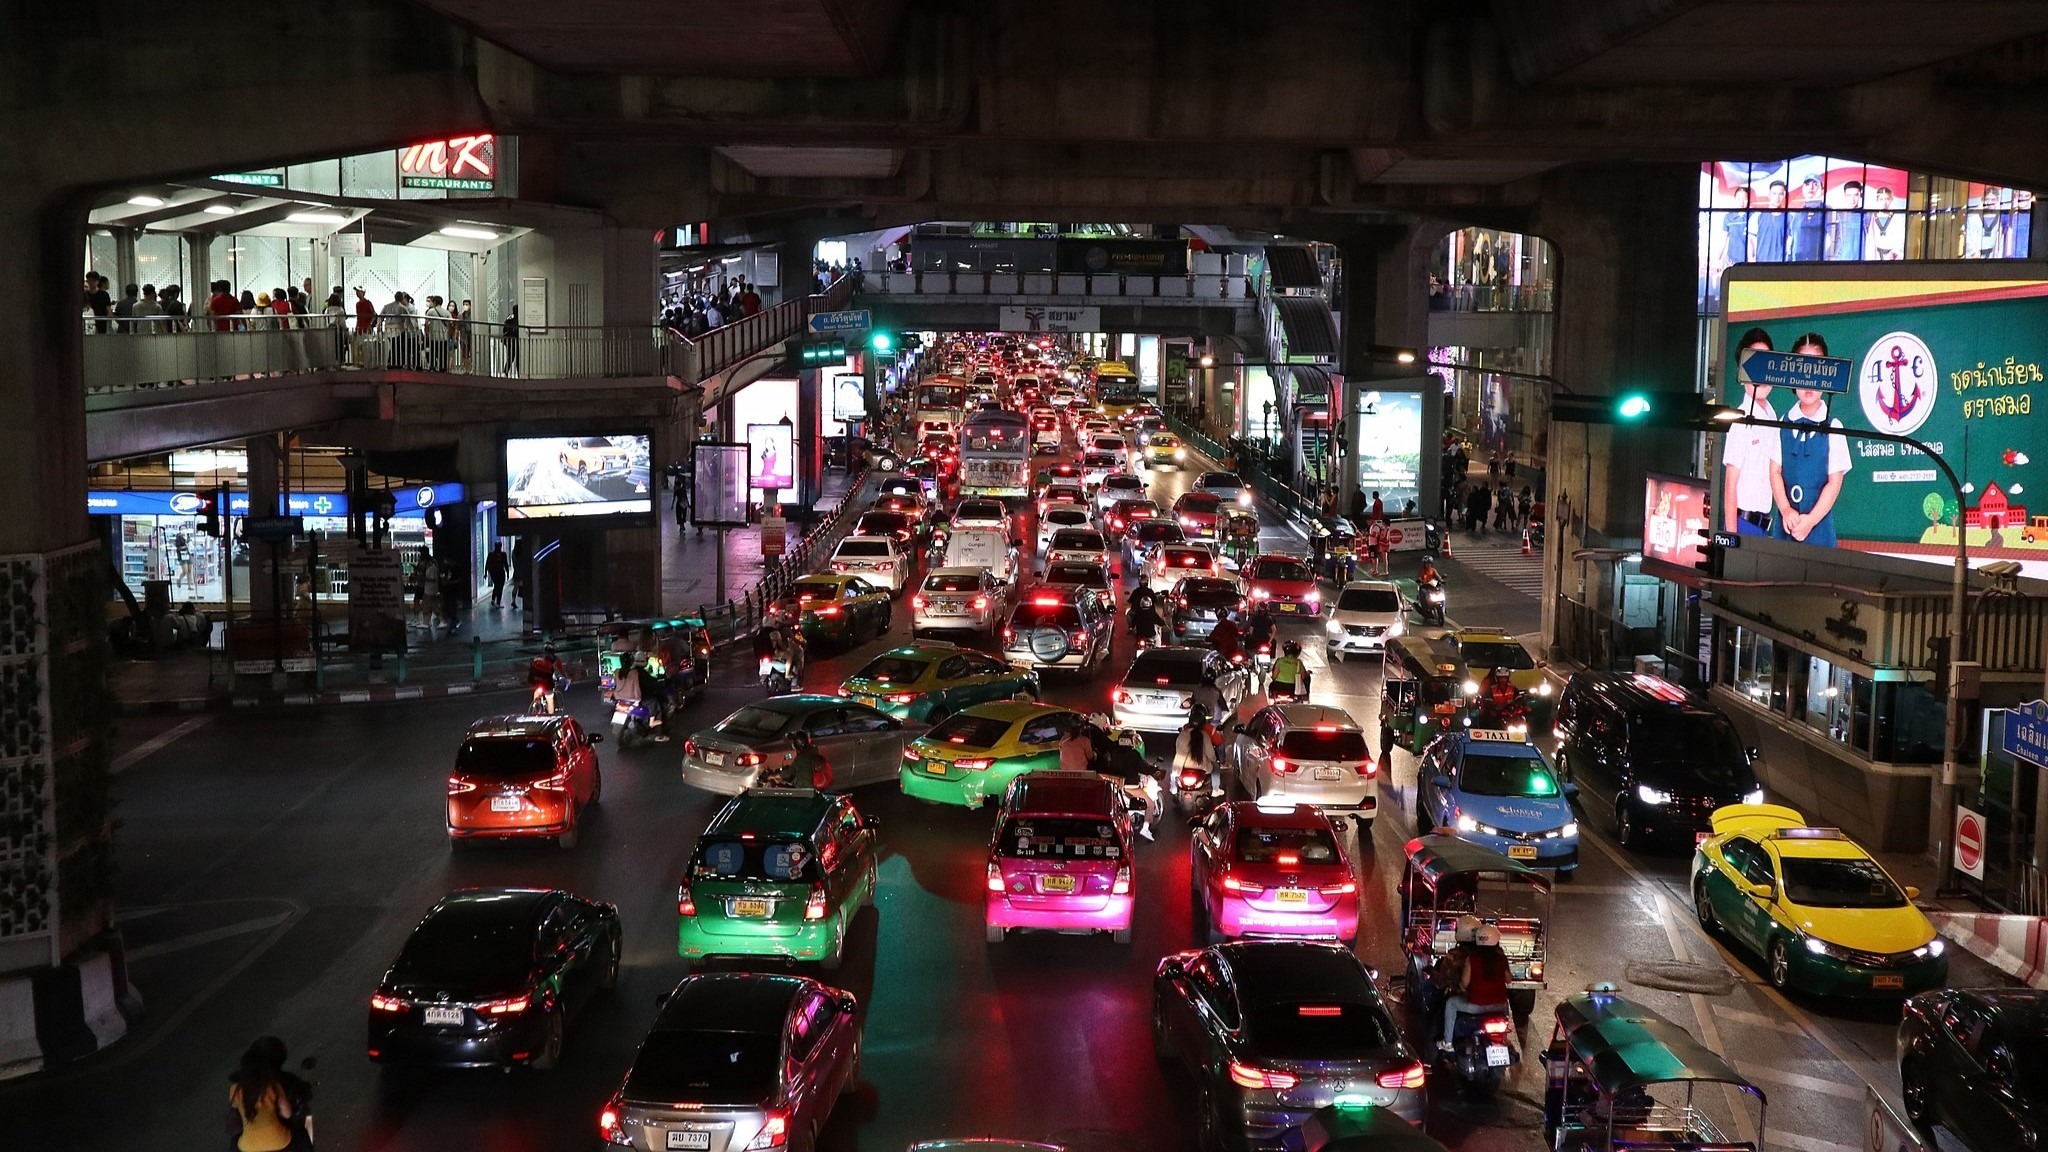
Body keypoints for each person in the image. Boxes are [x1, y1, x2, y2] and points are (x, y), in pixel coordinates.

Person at [1767, 332, 1852, 547]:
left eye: (1816, 369)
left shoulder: (1834, 427)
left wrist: (1810, 521)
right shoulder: (1783, 422)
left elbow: (1835, 482)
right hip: (1786, 525)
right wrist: (1786, 510)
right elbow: (1775, 471)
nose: (1809, 381)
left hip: (1819, 527)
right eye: (1802, 369)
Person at [1722, 327, 1779, 536]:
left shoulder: (1773, 416)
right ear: (1742, 372)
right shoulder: (1741, 419)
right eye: (1754, 366)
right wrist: (1732, 538)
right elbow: (1730, 484)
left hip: (1764, 526)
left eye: (1766, 364)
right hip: (1742, 524)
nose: (1761, 374)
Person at [227, 1036, 311, 1152]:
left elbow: (234, 1110)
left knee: (233, 1143)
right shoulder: (273, 1085)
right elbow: (287, 1114)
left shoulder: (235, 1089)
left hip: (247, 1147)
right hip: (279, 1142)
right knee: (301, 1134)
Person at [1443, 923, 1513, 1052]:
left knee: (1451, 1003)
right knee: (1506, 1004)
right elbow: (1508, 979)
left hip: (1476, 1006)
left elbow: (1464, 983)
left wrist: (1461, 988)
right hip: (1500, 1005)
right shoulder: (1501, 959)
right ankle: (1503, 1038)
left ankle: (1447, 1042)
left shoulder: (1472, 960)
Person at [1173, 703, 1227, 799]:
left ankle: (1173, 788)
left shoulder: (1183, 733)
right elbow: (1211, 754)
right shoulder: (1205, 734)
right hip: (1202, 766)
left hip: (1183, 766)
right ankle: (1215, 789)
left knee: (1174, 772)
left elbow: (1178, 749)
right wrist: (1216, 760)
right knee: (1215, 766)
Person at [527, 643, 564, 714]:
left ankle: (535, 705)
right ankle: (550, 716)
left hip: (535, 679)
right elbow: (560, 670)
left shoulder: (537, 658)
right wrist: (566, 678)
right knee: (549, 699)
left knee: (537, 690)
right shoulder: (555, 659)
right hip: (547, 681)